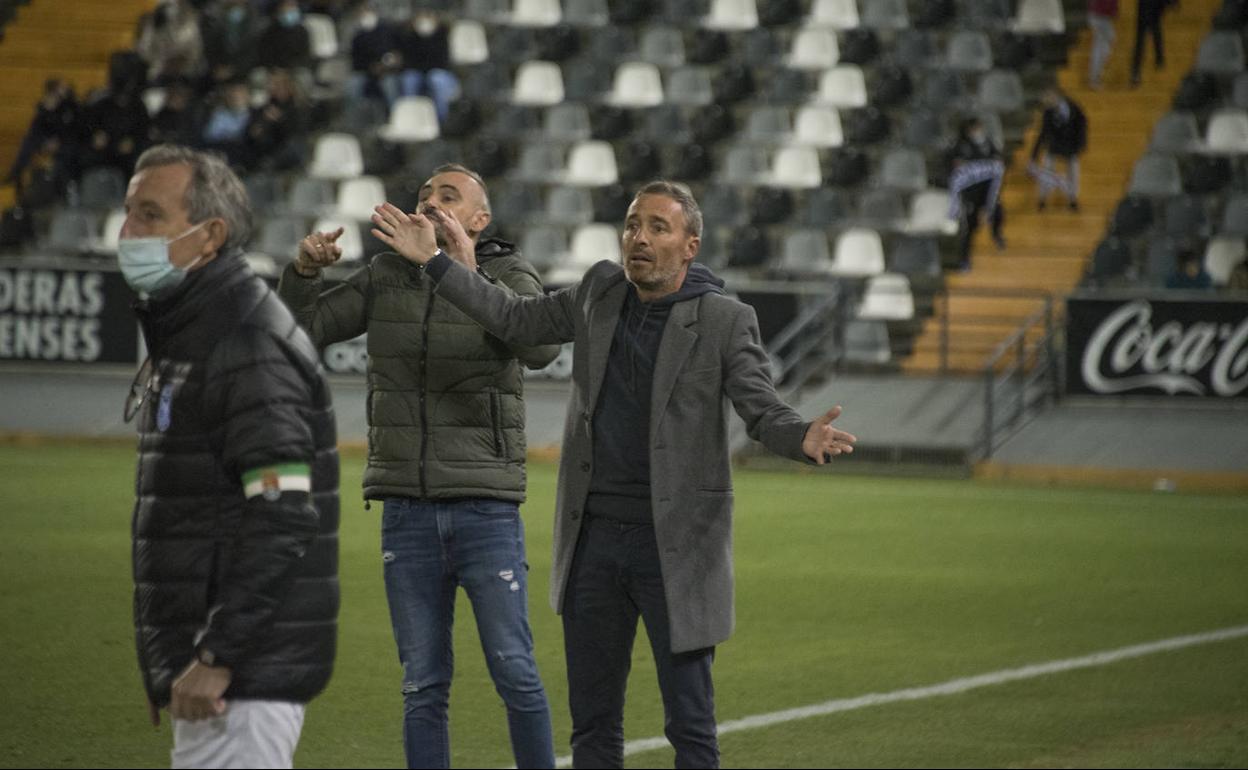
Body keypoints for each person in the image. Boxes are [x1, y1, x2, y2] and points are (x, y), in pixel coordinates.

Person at [370, 180, 858, 768]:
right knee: (594, 728)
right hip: (594, 541)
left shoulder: (726, 319)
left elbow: (761, 407)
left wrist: (800, 436)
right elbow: (516, 320)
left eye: (658, 228)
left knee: (691, 726)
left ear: (690, 245)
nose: (640, 239)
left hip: (675, 547)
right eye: (632, 225)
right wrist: (437, 264)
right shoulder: (600, 291)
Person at [277, 164, 559, 769]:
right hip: (405, 507)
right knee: (422, 683)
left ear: (479, 220)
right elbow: (301, 331)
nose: (430, 202)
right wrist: (303, 273)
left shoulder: (508, 274)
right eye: (425, 194)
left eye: (448, 196)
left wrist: (461, 267)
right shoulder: (386, 274)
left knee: (515, 672)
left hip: (485, 505)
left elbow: (540, 347)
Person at [120, 144, 339, 768]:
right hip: (221, 672)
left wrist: (215, 657)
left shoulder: (244, 341)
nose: (126, 233)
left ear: (209, 233)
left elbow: (282, 513)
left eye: (149, 215)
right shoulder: (201, 328)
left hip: (240, 679)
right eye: (128, 213)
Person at [948, 116, 1006, 270]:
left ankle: (997, 235)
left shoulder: (987, 143)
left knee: (998, 212)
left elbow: (997, 160)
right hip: (971, 194)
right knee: (969, 229)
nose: (978, 131)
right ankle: (964, 259)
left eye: (979, 128)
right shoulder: (962, 146)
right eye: (974, 129)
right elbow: (957, 167)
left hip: (987, 190)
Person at [1030, 87, 1088, 213]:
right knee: (1046, 172)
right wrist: (1034, 154)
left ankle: (1072, 199)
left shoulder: (1074, 108)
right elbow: (1043, 133)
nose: (1046, 100)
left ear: (1056, 96)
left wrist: (1080, 145)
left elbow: (1082, 127)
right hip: (1054, 146)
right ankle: (1042, 199)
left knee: (1073, 172)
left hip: (1070, 146)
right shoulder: (1048, 112)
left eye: (1048, 97)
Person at [398, 9, 460, 124]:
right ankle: (410, 118)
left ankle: (441, 120)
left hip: (441, 73)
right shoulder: (410, 38)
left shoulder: (442, 37)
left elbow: (442, 63)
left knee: (436, 79)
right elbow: (409, 62)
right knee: (408, 79)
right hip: (419, 73)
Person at [1131, 0, 1172, 87]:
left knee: (1142, 39)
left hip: (1147, 8)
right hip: (1153, 8)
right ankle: (1159, 60)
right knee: (1154, 31)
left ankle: (1136, 72)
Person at [1087, 0, 1119, 90]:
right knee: (1101, 47)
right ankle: (1094, 78)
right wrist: (1114, 11)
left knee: (1103, 45)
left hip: (1099, 16)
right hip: (1100, 16)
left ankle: (1095, 77)